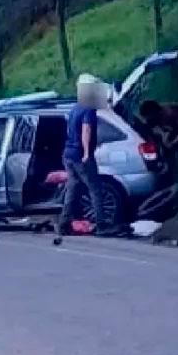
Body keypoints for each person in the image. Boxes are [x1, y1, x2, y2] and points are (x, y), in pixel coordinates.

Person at [57, 74, 110, 236]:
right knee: (95, 189)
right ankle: (101, 225)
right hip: (80, 155)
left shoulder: (75, 108)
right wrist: (87, 152)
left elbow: (72, 130)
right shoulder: (89, 109)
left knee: (72, 189)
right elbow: (86, 130)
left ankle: (63, 224)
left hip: (68, 154)